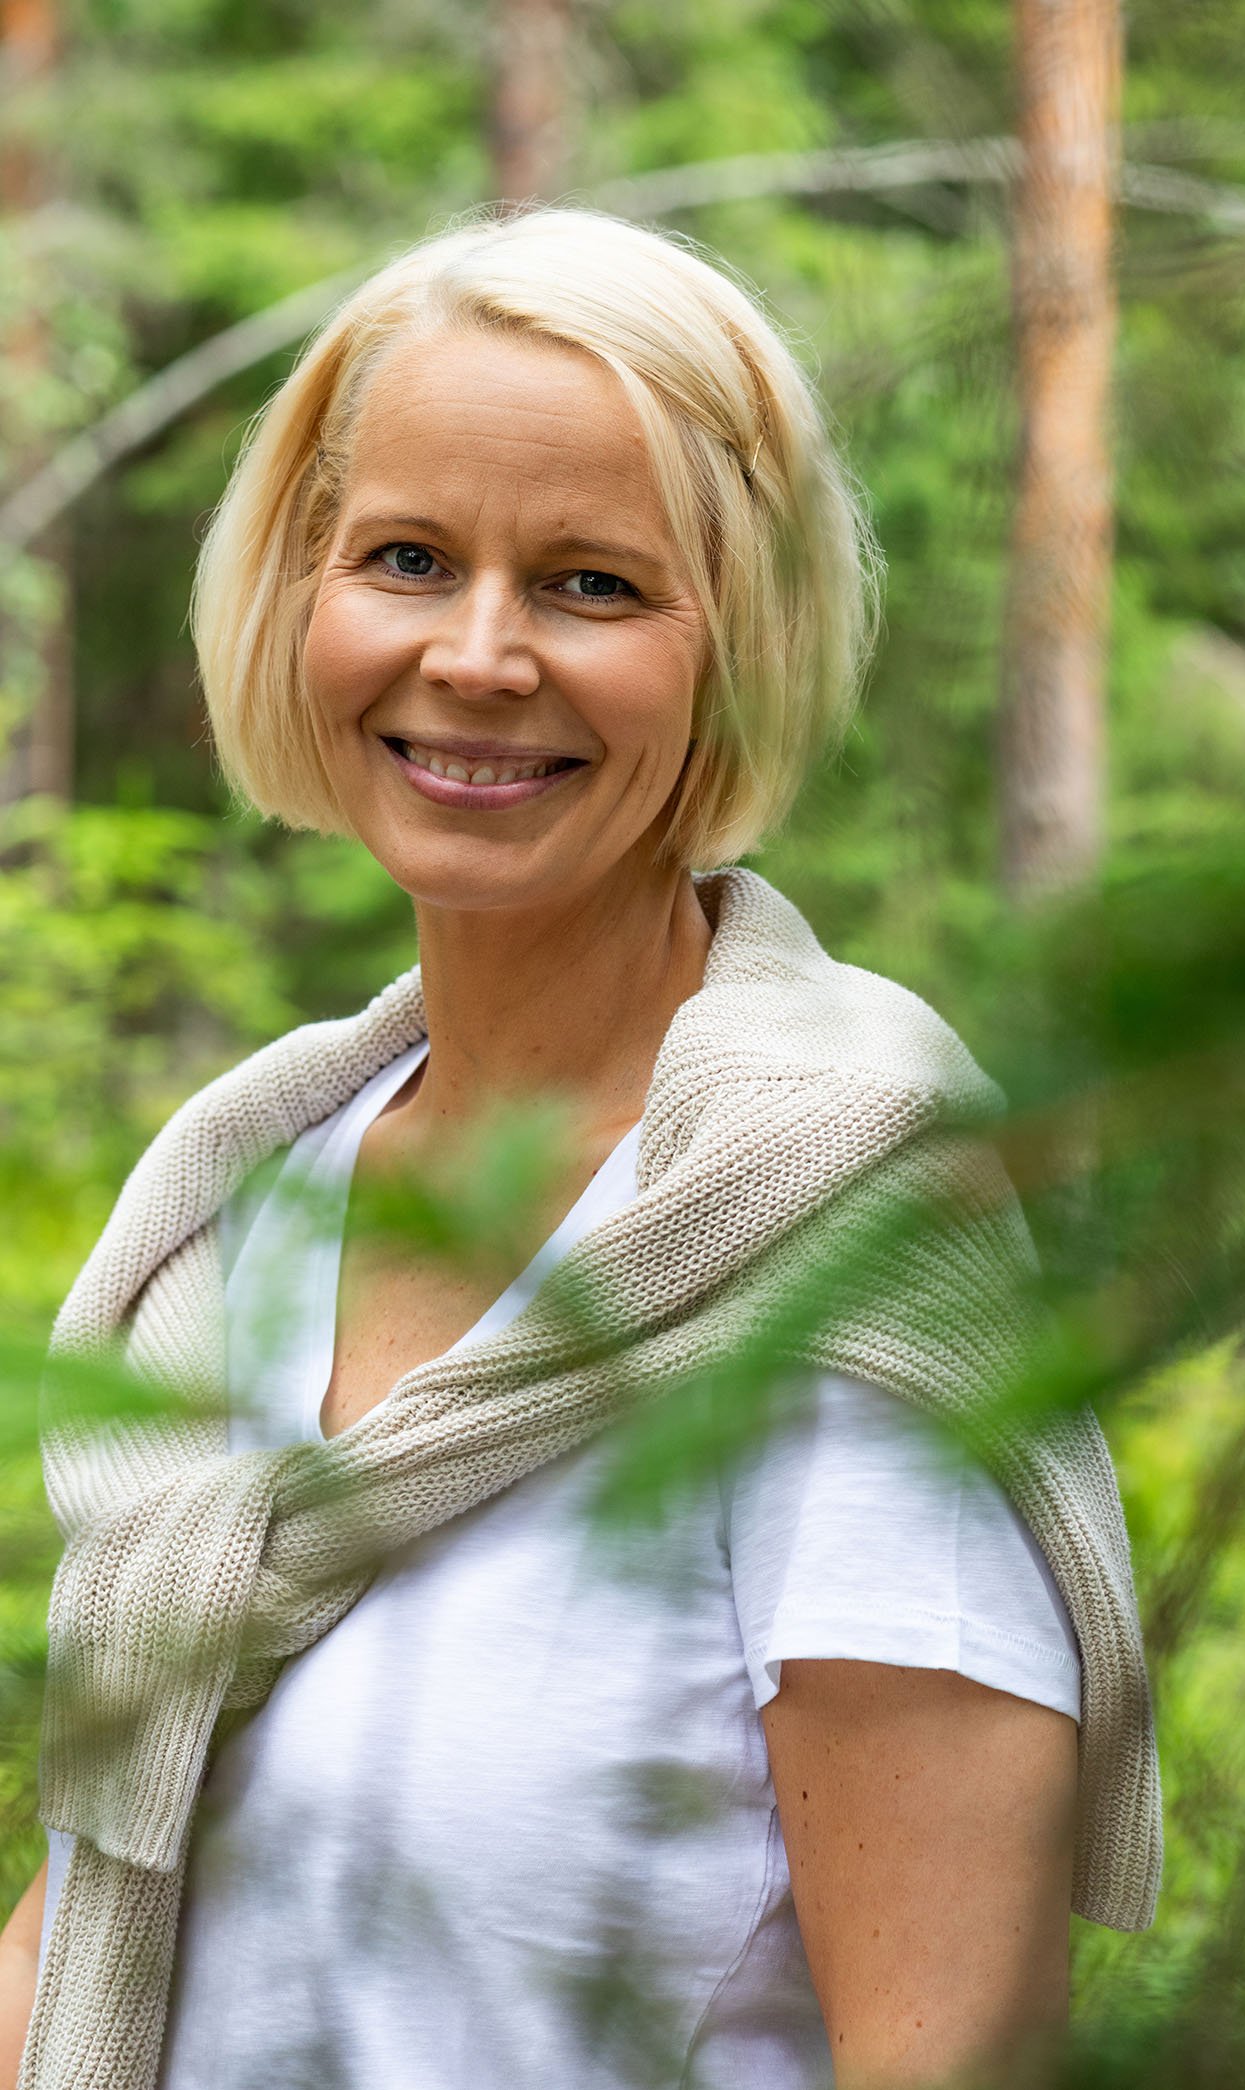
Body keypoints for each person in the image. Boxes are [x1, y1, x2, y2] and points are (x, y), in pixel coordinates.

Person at [0, 206, 1160, 2090]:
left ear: (743, 645)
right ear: (301, 596)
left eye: (593, 585)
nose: (476, 654)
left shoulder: (841, 1248)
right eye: (405, 557)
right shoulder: (237, 1207)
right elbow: (116, 1913)